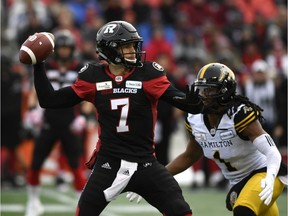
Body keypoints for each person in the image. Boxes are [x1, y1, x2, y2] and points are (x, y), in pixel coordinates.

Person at [30, 21, 203, 216]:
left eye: (133, 45)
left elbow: (180, 101)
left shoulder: (148, 74)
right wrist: (38, 65)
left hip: (145, 164)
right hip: (109, 164)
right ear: (110, 50)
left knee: (181, 211)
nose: (133, 51)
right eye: (126, 46)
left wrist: (193, 101)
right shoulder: (93, 76)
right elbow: (49, 100)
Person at [166, 63, 287, 216]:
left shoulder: (239, 115)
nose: (203, 95)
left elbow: (272, 151)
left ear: (224, 91)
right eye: (201, 89)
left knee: (243, 210)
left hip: (265, 173)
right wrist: (158, 176)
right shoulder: (195, 119)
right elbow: (189, 156)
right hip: (238, 182)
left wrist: (270, 178)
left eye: (209, 89)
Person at [25, 30, 87, 216]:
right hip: (48, 119)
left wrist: (84, 116)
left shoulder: (80, 68)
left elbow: (88, 93)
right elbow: (33, 89)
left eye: (67, 48)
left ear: (73, 49)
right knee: (36, 163)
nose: (64, 51)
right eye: (61, 48)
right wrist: (31, 111)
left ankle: (82, 205)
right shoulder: (46, 65)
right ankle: (33, 202)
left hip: (70, 120)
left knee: (75, 164)